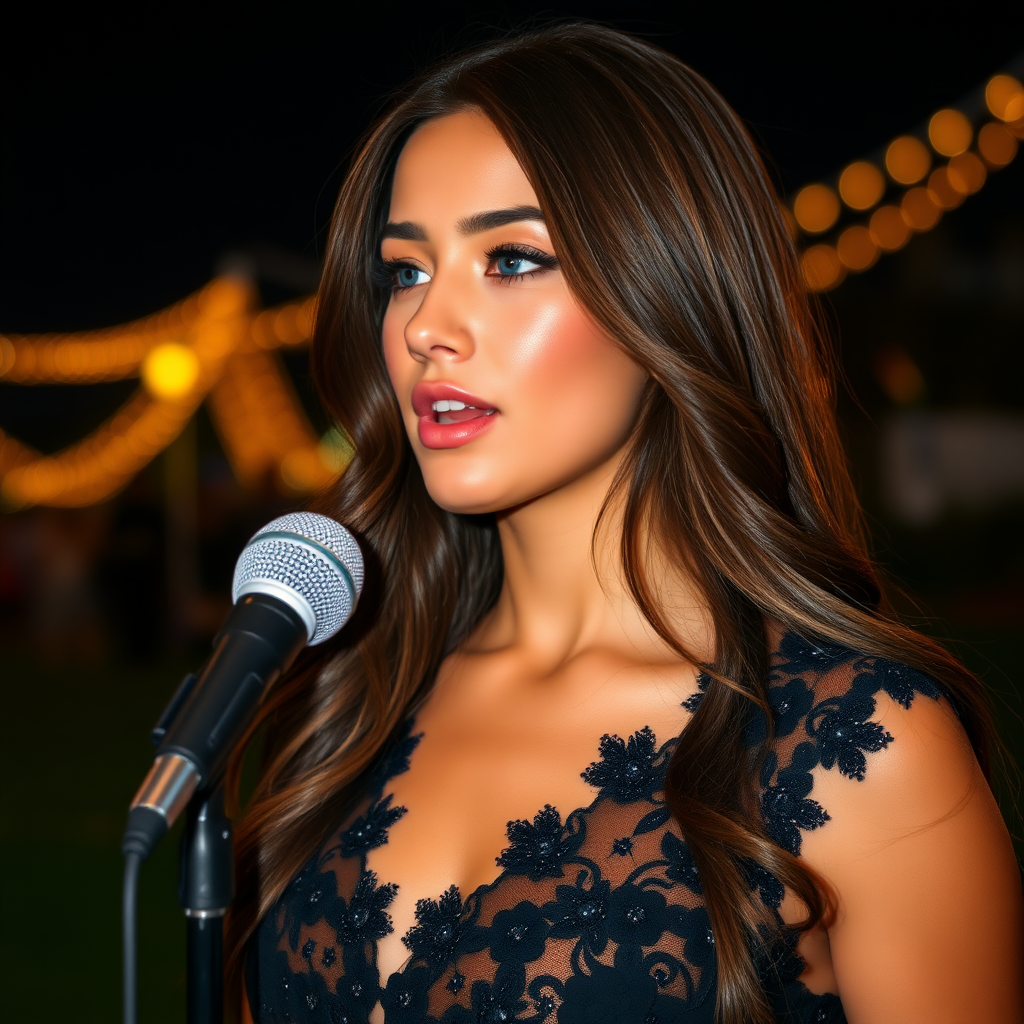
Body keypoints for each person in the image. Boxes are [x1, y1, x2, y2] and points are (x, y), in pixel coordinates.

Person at [227, 22, 1024, 1024]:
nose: (426, 325)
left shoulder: (854, 746)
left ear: (666, 292)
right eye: (404, 269)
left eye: (511, 259)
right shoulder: (344, 703)